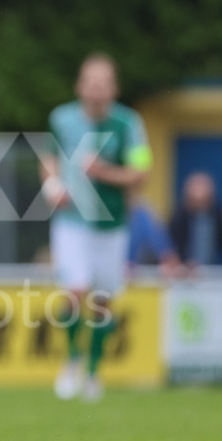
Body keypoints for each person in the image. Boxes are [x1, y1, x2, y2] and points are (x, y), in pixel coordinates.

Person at [40, 53, 151, 402]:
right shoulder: (61, 118)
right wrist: (53, 187)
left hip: (112, 224)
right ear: (80, 85)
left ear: (114, 88)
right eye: (91, 81)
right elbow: (49, 161)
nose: (97, 89)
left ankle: (93, 371)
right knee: (75, 291)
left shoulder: (129, 124)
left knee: (102, 301)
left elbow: (141, 173)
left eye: (104, 83)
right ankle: (72, 360)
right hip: (72, 222)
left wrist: (104, 172)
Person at [169, 171, 222, 267]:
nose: (200, 191)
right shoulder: (179, 217)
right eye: (196, 186)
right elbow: (172, 244)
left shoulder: (218, 214)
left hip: (212, 269)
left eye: (203, 186)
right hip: (185, 269)